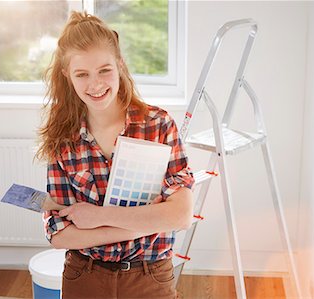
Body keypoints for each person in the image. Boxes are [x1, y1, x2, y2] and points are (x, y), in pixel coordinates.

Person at [36, 11, 195, 299]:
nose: (95, 85)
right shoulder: (62, 138)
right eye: (82, 74)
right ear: (66, 76)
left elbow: (181, 215)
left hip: (150, 276)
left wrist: (97, 217)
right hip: (84, 276)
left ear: (120, 64)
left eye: (104, 70)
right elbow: (60, 235)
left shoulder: (158, 125)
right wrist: (144, 223)